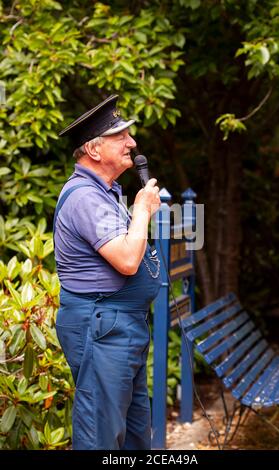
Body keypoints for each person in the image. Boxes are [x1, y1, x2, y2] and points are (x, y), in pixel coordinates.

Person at [53, 94, 162, 450]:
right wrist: (142, 210)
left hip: (120, 326)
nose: (132, 142)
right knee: (100, 435)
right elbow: (128, 260)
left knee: (133, 435)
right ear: (94, 151)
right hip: (101, 326)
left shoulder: (105, 192)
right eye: (121, 136)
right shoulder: (86, 196)